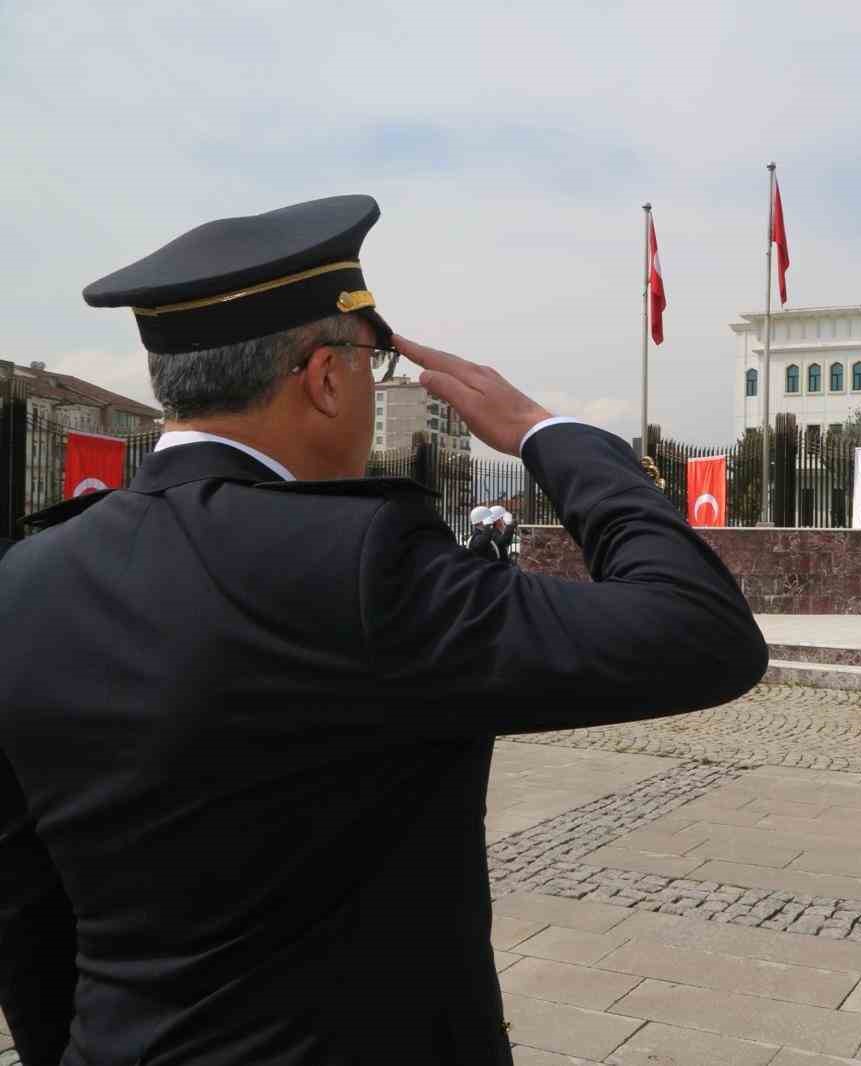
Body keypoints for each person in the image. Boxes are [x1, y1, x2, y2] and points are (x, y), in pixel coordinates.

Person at [0, 194, 768, 1065]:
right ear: (326, 377)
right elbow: (700, 631)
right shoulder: (358, 562)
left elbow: (23, 904)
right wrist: (548, 435)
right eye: (373, 364)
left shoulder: (27, 578)